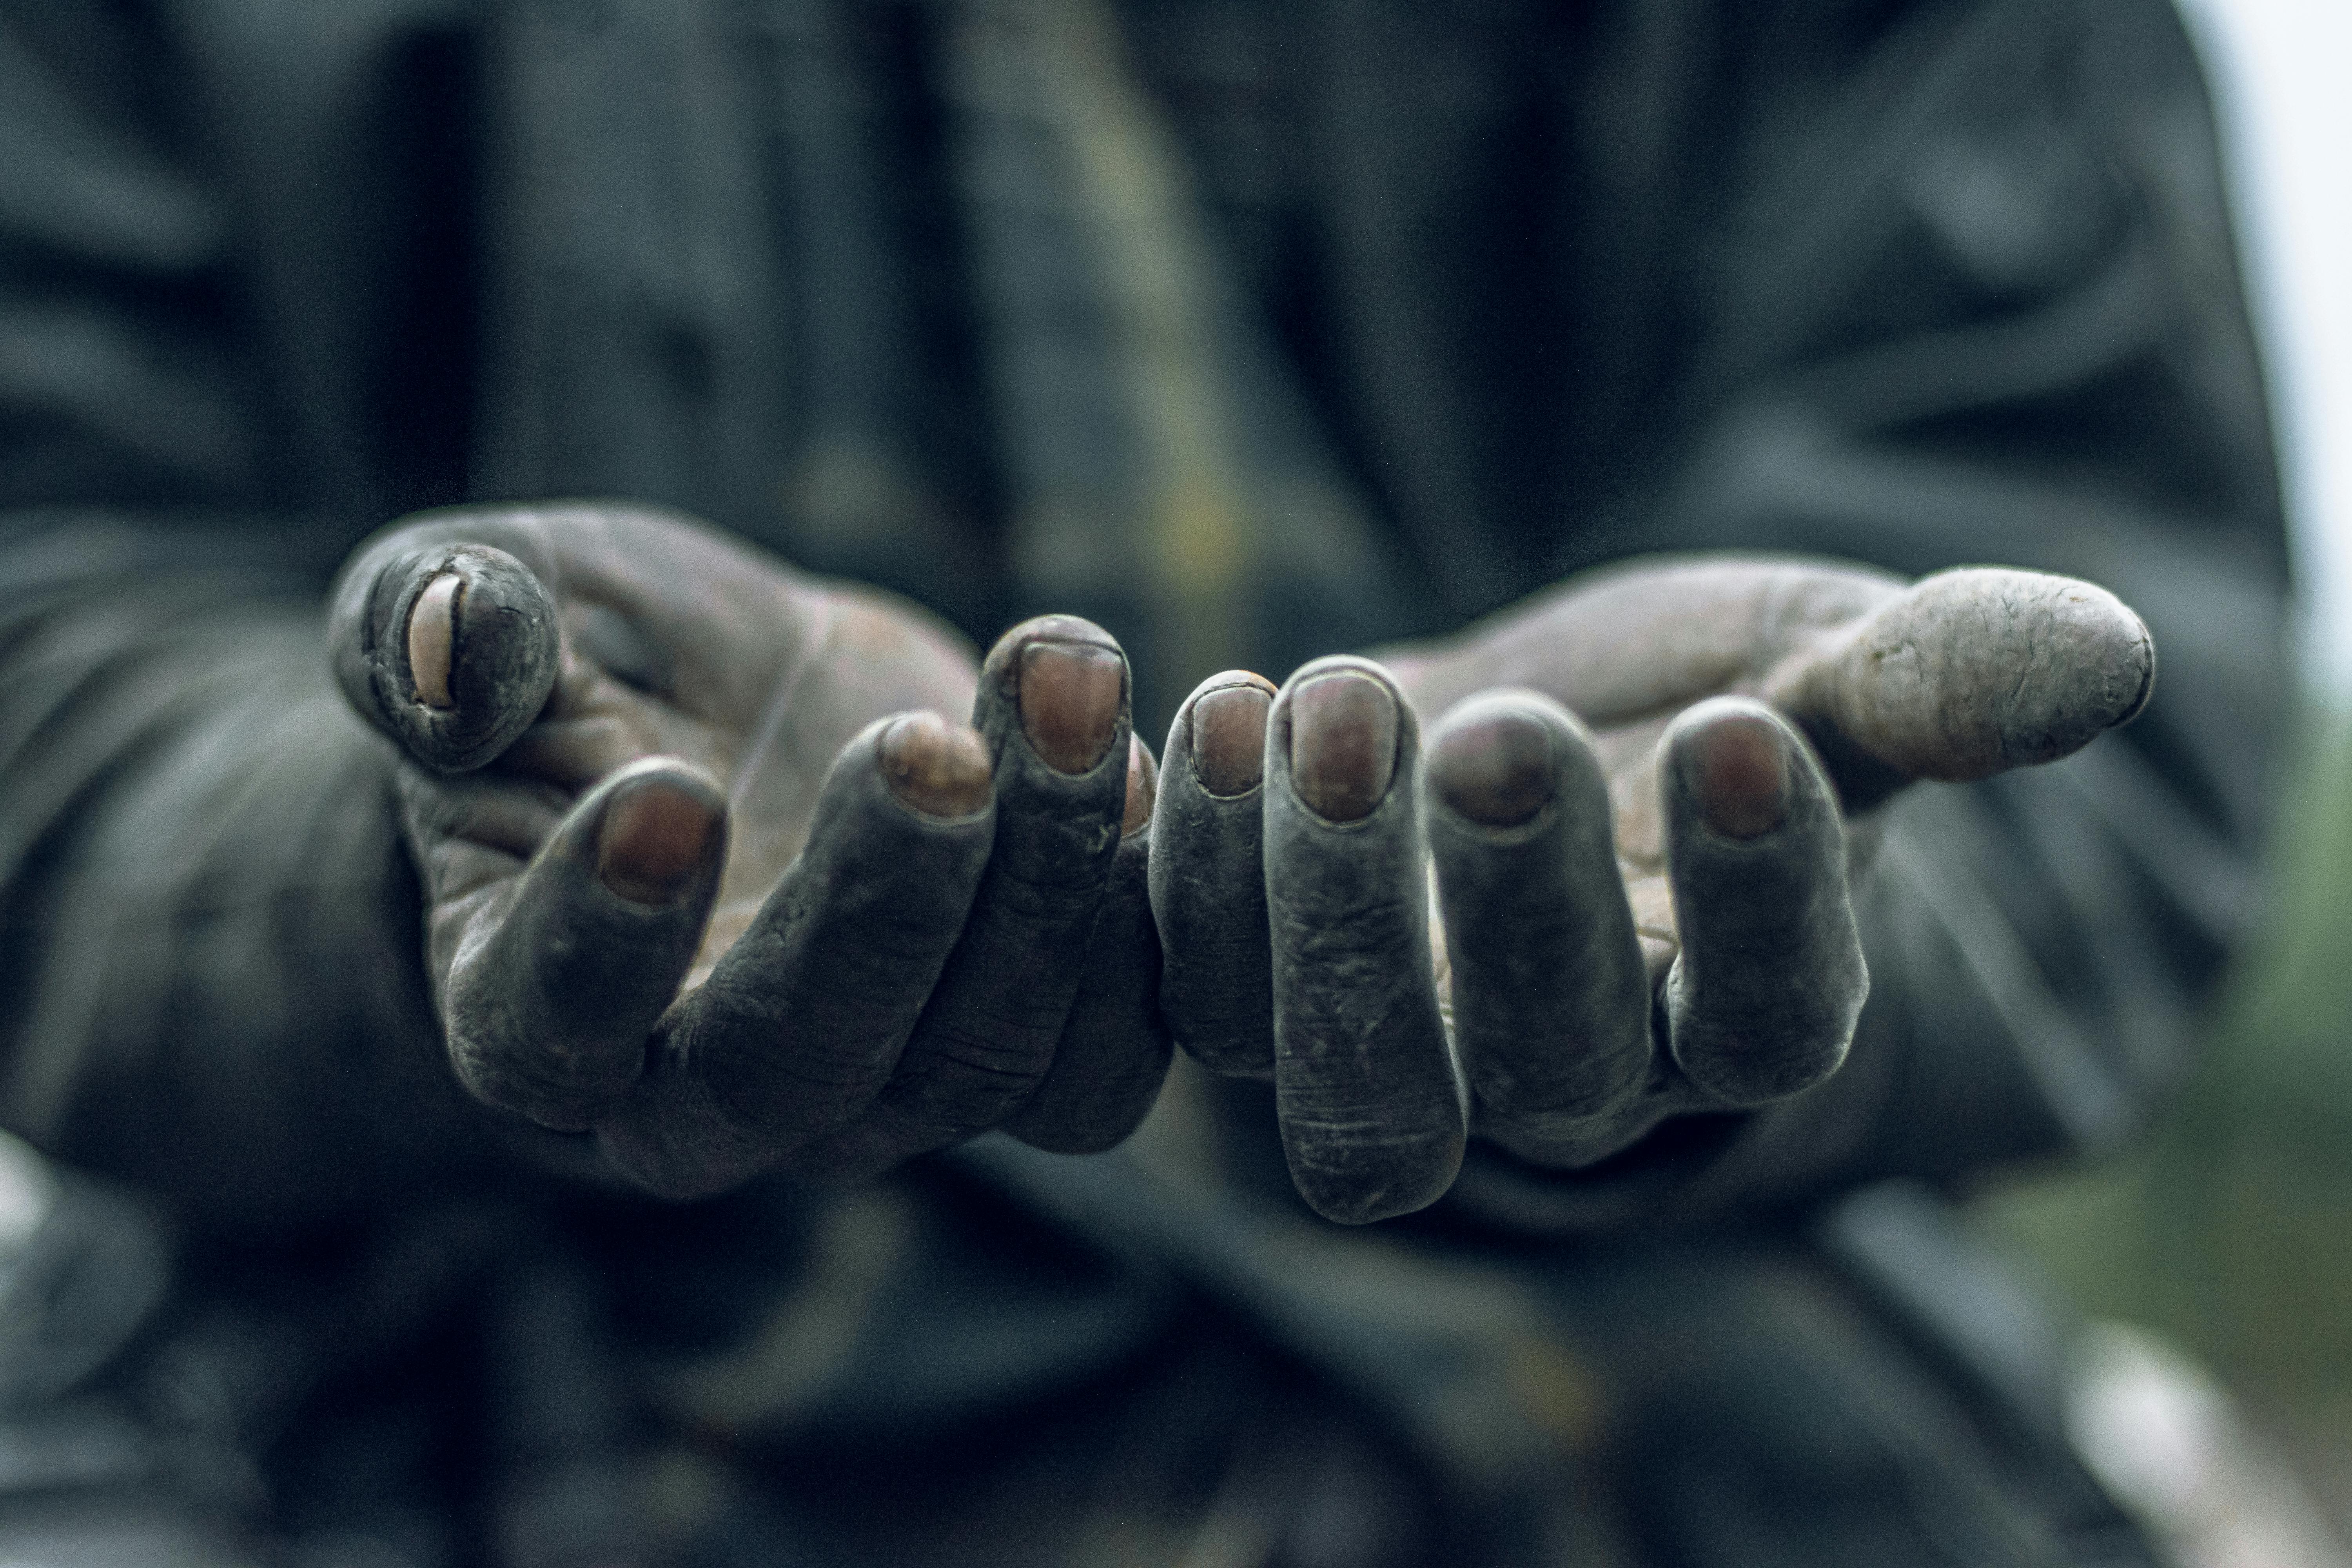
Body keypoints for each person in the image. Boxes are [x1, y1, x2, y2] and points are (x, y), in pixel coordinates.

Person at [0, 0, 2289, 1563]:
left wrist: (1782, 850)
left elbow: (2074, 619)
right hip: (392, 1392)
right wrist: (416, 843)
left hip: (1668, 1386)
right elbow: (56, 614)